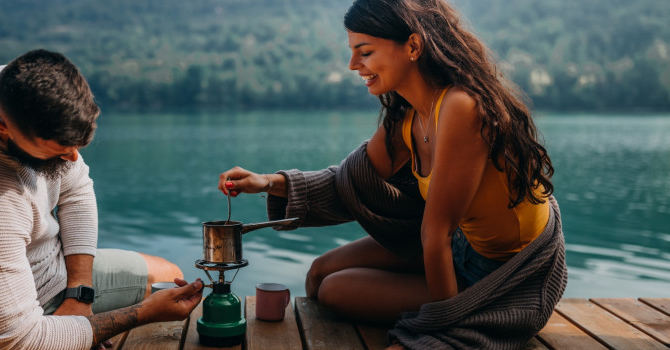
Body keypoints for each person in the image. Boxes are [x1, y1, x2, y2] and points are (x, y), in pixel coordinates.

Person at [217, 0, 566, 348]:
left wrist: (442, 331)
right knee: (319, 273)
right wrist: (268, 182)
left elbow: (436, 232)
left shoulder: (462, 106)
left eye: (364, 52)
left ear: (413, 46)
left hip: (503, 275)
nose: (353, 65)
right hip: (460, 246)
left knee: (334, 291)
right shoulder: (409, 118)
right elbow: (352, 182)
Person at [0, 49, 203, 350]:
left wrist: (80, 294)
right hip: (15, 304)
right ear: (1, 127)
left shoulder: (13, 87)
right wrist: (139, 315)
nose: (73, 158)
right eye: (59, 151)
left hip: (54, 269)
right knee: (164, 290)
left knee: (170, 276)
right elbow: (15, 341)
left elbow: (76, 188)